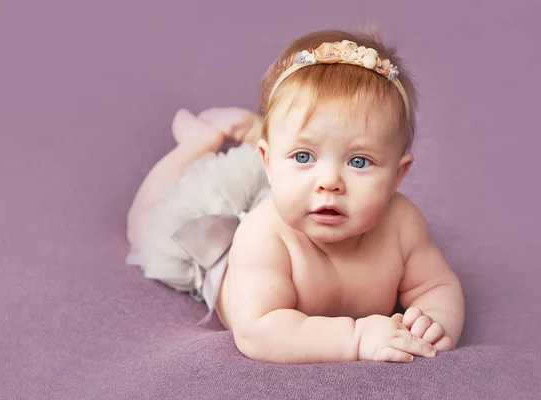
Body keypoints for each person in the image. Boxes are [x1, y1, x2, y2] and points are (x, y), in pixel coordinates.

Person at [126, 29, 465, 365]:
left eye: (358, 161)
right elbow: (259, 331)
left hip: (290, 189)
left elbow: (436, 285)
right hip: (218, 244)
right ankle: (199, 141)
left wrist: (435, 321)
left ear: (397, 175)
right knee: (147, 225)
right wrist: (356, 338)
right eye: (304, 156)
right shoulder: (263, 236)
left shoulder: (403, 225)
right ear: (268, 162)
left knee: (304, 148)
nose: (330, 182)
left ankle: (261, 133)